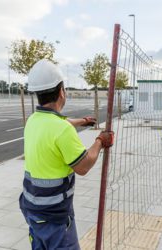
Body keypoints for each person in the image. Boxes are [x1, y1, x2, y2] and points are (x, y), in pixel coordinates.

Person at [19, 59, 114, 250]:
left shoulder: (33, 120)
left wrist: (82, 121)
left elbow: (56, 126)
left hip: (31, 207)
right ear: (62, 91)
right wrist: (99, 142)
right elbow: (83, 166)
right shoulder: (62, 130)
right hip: (54, 215)